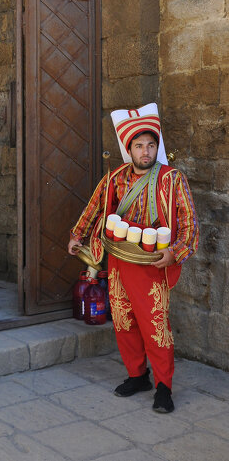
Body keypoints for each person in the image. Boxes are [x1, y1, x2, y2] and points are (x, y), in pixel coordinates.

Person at [68, 104, 198, 414]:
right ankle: (137, 376)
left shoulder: (172, 179)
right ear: (130, 149)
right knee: (124, 321)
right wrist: (78, 235)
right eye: (139, 145)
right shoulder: (114, 178)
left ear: (157, 147)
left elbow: (190, 223)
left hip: (152, 266)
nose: (145, 150)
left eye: (151, 144)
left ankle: (164, 386)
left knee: (155, 325)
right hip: (118, 263)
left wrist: (175, 252)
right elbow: (94, 208)